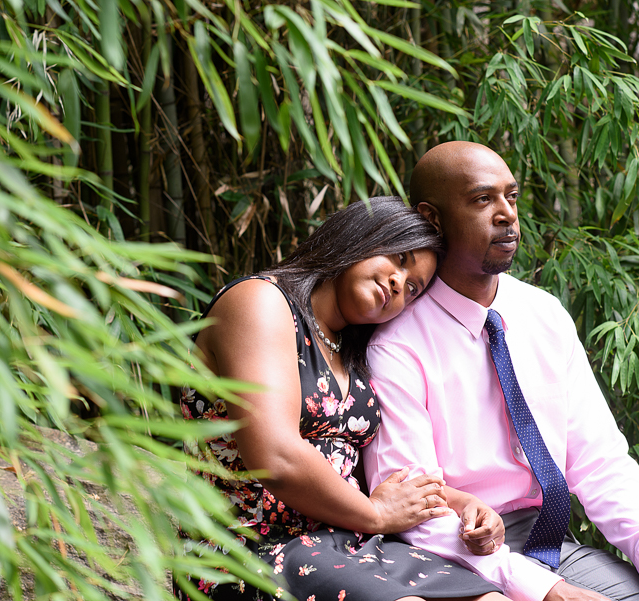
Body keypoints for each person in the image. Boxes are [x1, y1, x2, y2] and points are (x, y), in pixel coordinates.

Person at [363, 142, 639, 601]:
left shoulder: (543, 314)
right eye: (484, 200)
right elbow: (416, 513)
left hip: (552, 542)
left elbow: (600, 462)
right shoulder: (395, 344)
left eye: (512, 196)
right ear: (432, 218)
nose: (506, 214)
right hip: (451, 556)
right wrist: (548, 591)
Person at [175, 197, 509, 601]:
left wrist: (462, 504)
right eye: (399, 258)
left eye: (413, 288)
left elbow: (372, 477)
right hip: (251, 551)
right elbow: (276, 457)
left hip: (352, 543)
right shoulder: (260, 302)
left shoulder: (353, 351)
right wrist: (375, 515)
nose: (398, 284)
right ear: (360, 236)